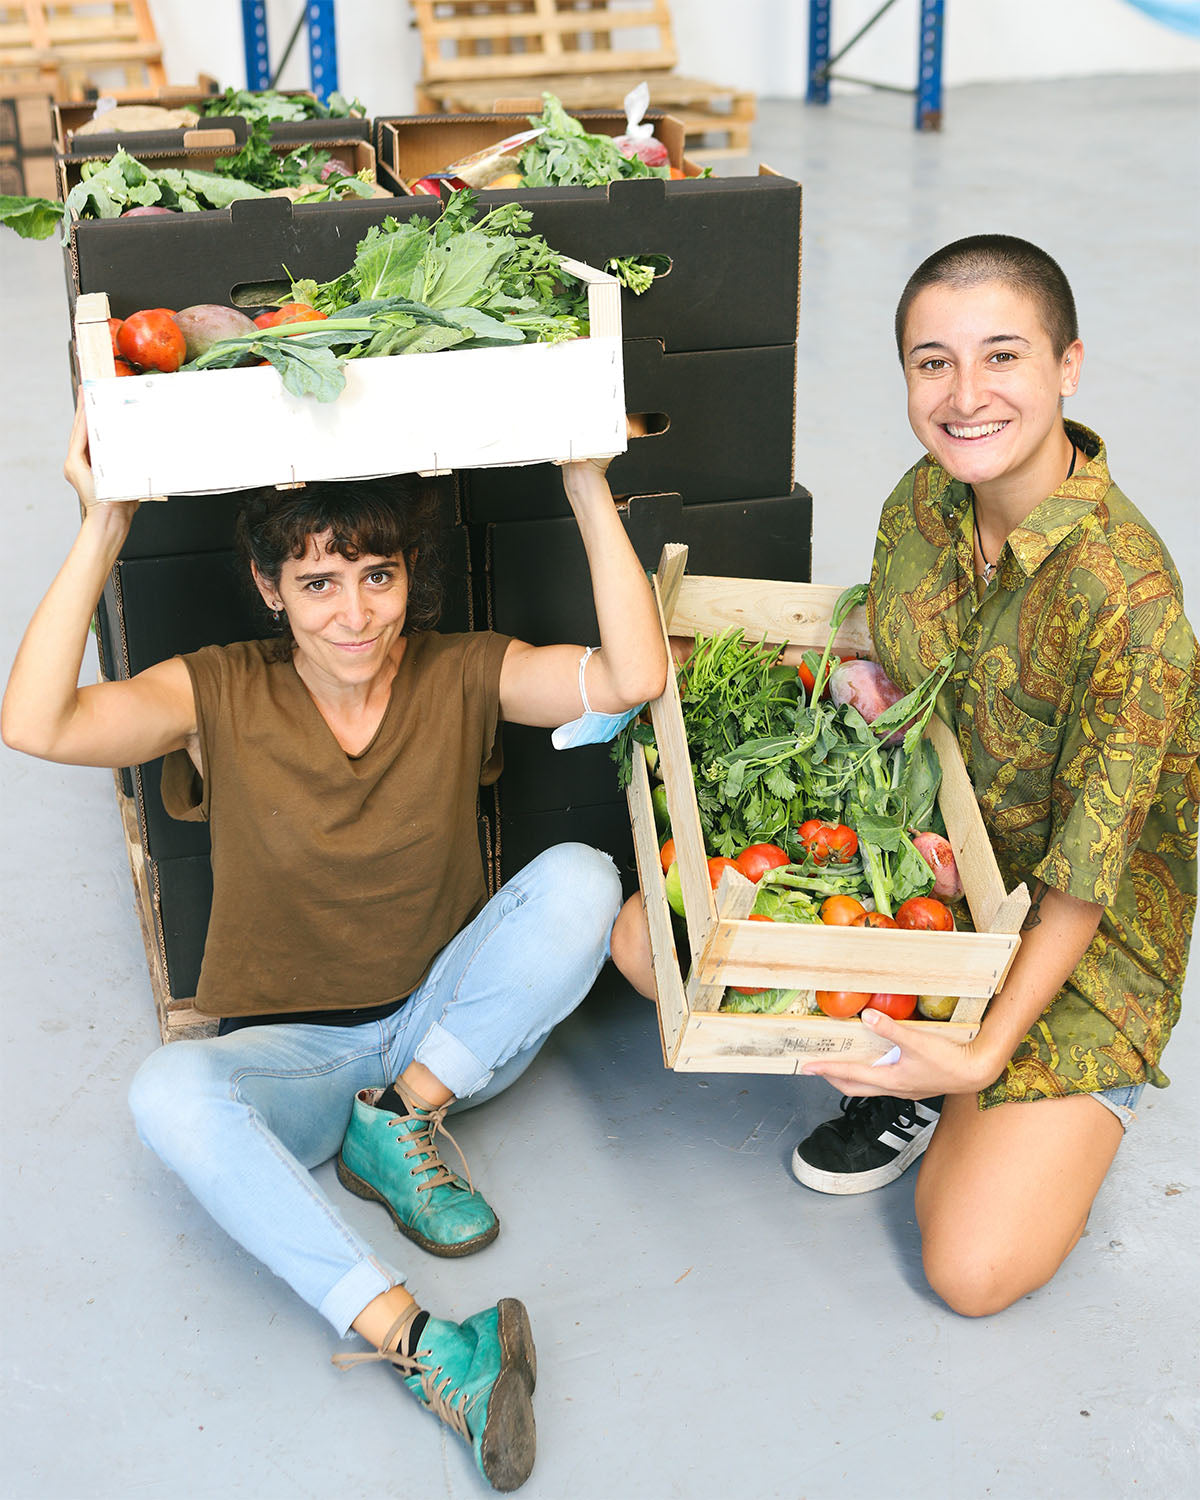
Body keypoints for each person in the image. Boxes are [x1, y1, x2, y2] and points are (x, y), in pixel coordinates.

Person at [1, 401, 667, 1492]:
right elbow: (37, 724)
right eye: (318, 583)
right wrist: (104, 521)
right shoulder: (214, 688)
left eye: (377, 577)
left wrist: (587, 480)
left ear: (410, 578)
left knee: (586, 881)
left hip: (445, 1035)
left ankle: (401, 1120)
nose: (354, 614)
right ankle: (425, 1345)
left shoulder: (464, 669)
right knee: (167, 1093)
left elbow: (632, 679)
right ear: (271, 589)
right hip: (300, 1058)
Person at [611, 234, 1199, 1317]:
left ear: (1069, 365)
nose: (966, 396)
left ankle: (982, 1078)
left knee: (971, 1273)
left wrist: (981, 1058)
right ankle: (913, 1067)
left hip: (1075, 936)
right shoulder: (923, 504)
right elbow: (891, 678)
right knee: (651, 947)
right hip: (929, 867)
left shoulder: (1131, 604)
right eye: (934, 363)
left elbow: (1087, 876)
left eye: (1003, 356)